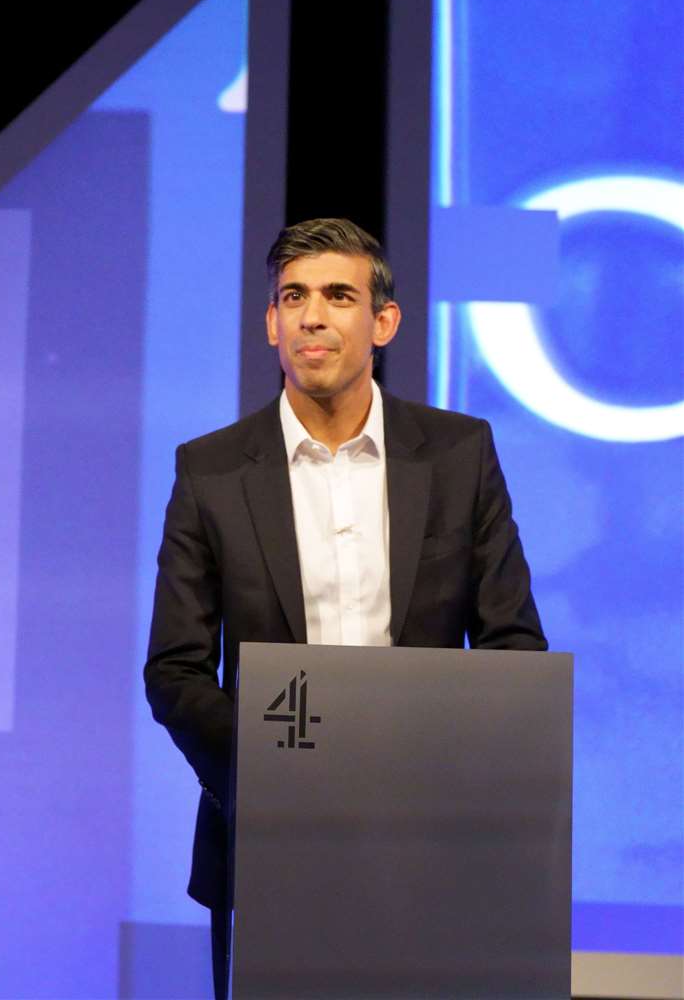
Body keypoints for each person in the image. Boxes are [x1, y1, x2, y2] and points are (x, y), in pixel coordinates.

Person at [142, 217, 546, 1000]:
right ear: (270, 323)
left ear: (383, 322)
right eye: (292, 297)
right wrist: (281, 784)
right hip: (269, 845)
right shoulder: (213, 470)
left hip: (436, 845)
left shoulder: (460, 454)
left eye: (338, 295)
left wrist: (432, 780)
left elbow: (513, 648)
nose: (312, 316)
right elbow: (176, 671)